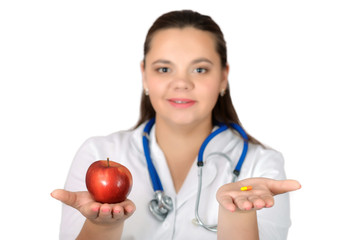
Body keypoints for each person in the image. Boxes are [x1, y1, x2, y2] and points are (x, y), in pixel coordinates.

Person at [51, 10, 301, 240]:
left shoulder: (261, 166)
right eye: (164, 69)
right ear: (144, 74)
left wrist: (239, 214)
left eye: (200, 69)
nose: (181, 83)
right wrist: (102, 225)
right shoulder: (98, 152)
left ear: (223, 77)